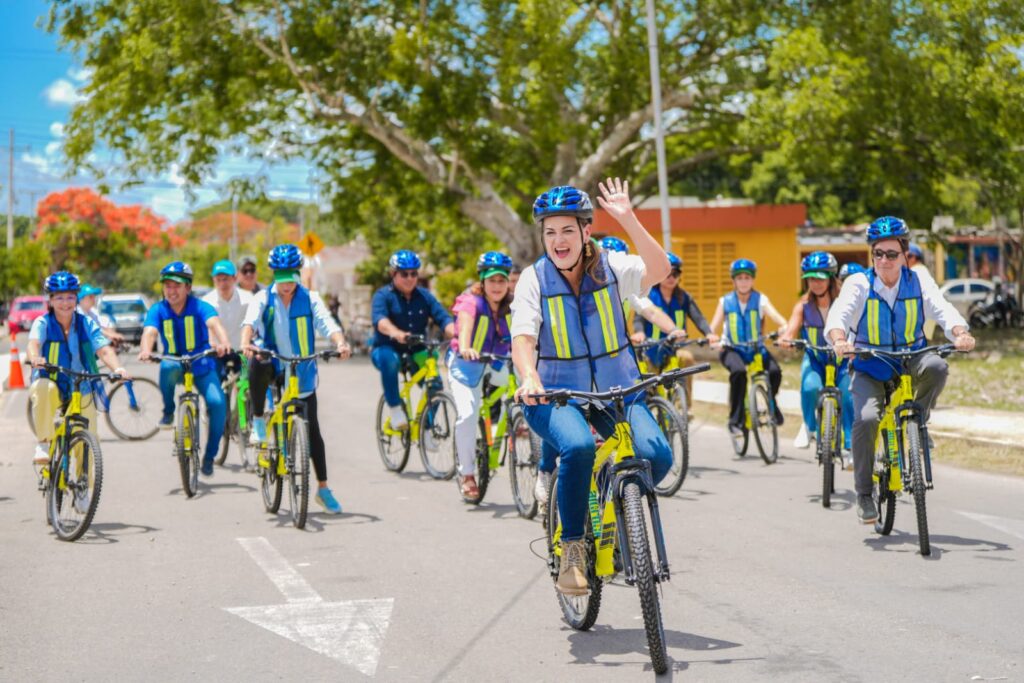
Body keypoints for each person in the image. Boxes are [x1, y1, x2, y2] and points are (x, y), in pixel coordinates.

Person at [513, 178, 672, 596]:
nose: (558, 240)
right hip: (554, 395)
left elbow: (660, 271)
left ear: (586, 231)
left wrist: (628, 219)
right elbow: (523, 337)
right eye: (550, 232)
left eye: (568, 230)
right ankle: (572, 549)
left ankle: (611, 512)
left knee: (658, 457)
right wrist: (529, 375)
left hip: (617, 390)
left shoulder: (612, 267)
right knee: (579, 447)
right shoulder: (533, 279)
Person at [826, 216, 975, 524]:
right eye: (877, 253)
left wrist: (960, 333)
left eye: (891, 254)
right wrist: (840, 340)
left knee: (937, 366)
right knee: (867, 418)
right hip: (870, 362)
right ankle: (864, 493)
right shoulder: (859, 283)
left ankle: (918, 418)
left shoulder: (919, 280)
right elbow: (839, 314)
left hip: (911, 357)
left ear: (905, 253)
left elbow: (942, 309)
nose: (884, 260)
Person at [241, 244, 353, 514]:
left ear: (297, 274)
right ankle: (259, 420)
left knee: (312, 430)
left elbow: (327, 323)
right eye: (281, 277)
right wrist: (246, 343)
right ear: (274, 274)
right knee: (257, 362)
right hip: (273, 362)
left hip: (302, 369)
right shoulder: (263, 298)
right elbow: (250, 323)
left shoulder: (310, 298)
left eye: (290, 277)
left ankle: (323, 489)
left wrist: (340, 343)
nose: (286, 284)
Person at [138, 261, 231, 477]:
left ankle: (210, 456)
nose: (171, 291)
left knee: (218, 403)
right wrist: (145, 350)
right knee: (167, 365)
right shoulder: (158, 309)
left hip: (201, 364)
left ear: (188, 287)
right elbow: (149, 332)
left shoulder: (200, 307)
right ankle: (169, 411)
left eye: (177, 286)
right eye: (167, 286)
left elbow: (215, 324)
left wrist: (224, 342)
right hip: (174, 362)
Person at [27, 272, 129, 464]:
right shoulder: (43, 323)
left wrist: (118, 369)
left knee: (89, 442)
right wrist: (35, 358)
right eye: (59, 298)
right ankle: (43, 443)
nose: (65, 303)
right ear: (50, 300)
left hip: (81, 385)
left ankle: (84, 483)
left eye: (70, 297)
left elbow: (103, 349)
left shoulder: (86, 323)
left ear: (76, 298)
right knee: (42, 388)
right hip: (52, 382)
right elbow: (33, 343)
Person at [448, 251, 514, 499]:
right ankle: (467, 474)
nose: (497, 286)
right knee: (468, 414)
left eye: (501, 280)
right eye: (492, 280)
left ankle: (515, 429)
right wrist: (466, 347)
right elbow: (465, 325)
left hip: (496, 363)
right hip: (465, 365)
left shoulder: (513, 305)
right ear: (482, 281)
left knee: (527, 390)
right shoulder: (471, 302)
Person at [370, 250, 456, 430]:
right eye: (404, 274)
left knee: (435, 384)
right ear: (393, 274)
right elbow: (380, 321)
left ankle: (427, 429)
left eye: (414, 273)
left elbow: (443, 318)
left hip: (417, 350)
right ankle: (395, 409)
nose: (410, 278)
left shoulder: (424, 296)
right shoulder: (383, 295)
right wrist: (397, 333)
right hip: (387, 348)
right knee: (389, 359)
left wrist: (458, 335)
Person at [779, 252, 854, 456]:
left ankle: (850, 442)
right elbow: (791, 329)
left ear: (831, 278)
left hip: (842, 361)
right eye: (811, 279)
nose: (816, 283)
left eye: (820, 278)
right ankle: (809, 426)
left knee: (848, 393)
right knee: (810, 387)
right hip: (815, 358)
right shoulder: (803, 306)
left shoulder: (845, 303)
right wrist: (786, 338)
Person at [706, 258, 789, 436]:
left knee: (775, 372)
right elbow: (713, 326)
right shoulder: (725, 301)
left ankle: (772, 404)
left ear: (753, 280)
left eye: (747, 278)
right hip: (731, 349)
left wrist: (784, 327)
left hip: (756, 349)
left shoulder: (761, 300)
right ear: (734, 280)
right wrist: (712, 338)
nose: (744, 282)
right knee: (739, 373)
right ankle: (735, 420)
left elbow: (777, 317)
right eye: (740, 278)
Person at [632, 252, 712, 403]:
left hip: (674, 349)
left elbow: (698, 318)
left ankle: (683, 407)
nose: (671, 278)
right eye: (668, 274)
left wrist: (709, 333)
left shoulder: (684, 297)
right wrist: (639, 332)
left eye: (675, 274)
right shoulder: (648, 295)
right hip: (651, 349)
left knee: (687, 358)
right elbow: (639, 319)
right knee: (646, 383)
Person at [202, 260, 253, 382]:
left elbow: (253, 324)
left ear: (234, 278)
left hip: (242, 352)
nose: (222, 283)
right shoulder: (207, 301)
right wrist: (212, 344)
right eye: (218, 280)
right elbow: (206, 327)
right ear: (213, 280)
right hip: (217, 352)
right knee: (218, 384)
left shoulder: (248, 298)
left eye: (225, 279)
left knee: (245, 384)